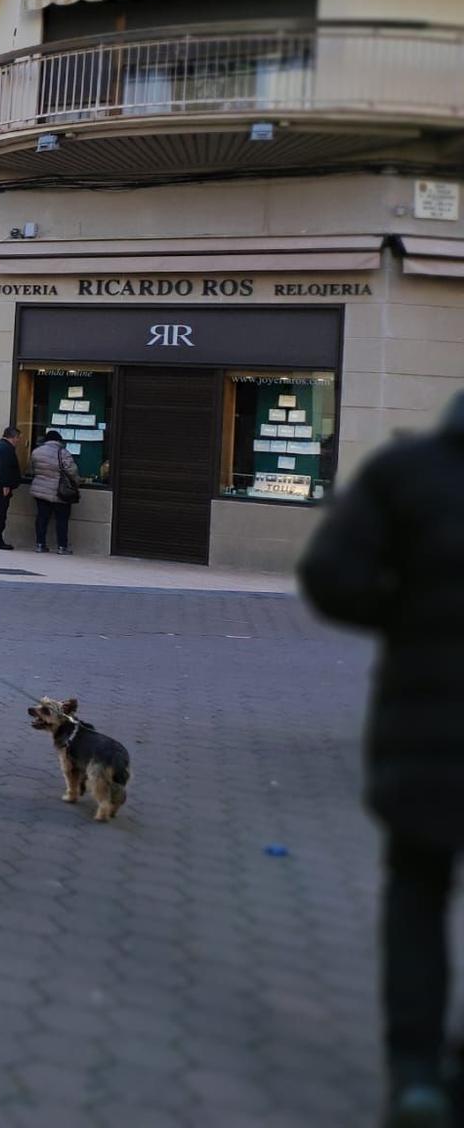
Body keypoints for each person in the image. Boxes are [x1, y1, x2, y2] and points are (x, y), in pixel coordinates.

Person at [297, 392, 464, 1128]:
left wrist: (408, 617)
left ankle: (417, 1074)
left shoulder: (409, 472)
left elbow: (331, 575)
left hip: (429, 727)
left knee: (418, 894)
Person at [28, 429, 79, 555]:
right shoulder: (63, 453)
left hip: (40, 490)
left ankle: (40, 544)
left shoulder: (36, 452)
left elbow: (31, 469)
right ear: (58, 440)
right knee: (61, 520)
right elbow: (72, 471)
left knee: (42, 518)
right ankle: (62, 547)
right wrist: (76, 483)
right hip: (59, 492)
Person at [0, 425, 24, 550]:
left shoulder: (0, 446)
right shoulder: (6, 449)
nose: (19, 441)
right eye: (18, 438)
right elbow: (4, 468)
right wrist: (6, 485)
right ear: (13, 437)